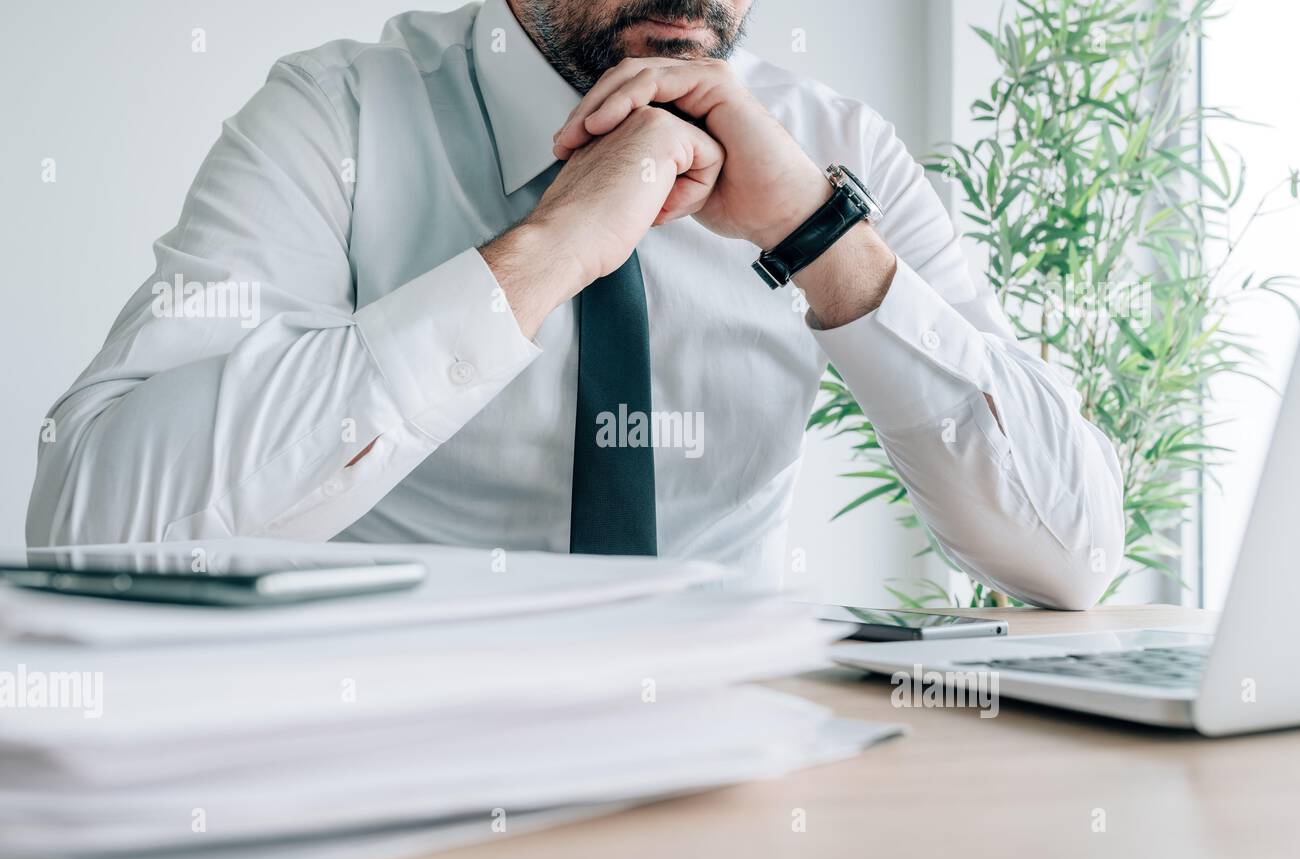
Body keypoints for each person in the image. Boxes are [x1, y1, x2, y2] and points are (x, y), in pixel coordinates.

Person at [26, 0, 1124, 608]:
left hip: (720, 765)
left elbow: (1072, 555)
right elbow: (95, 528)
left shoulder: (830, 151)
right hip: (392, 759)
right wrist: (542, 254)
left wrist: (821, 236)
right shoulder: (339, 115)